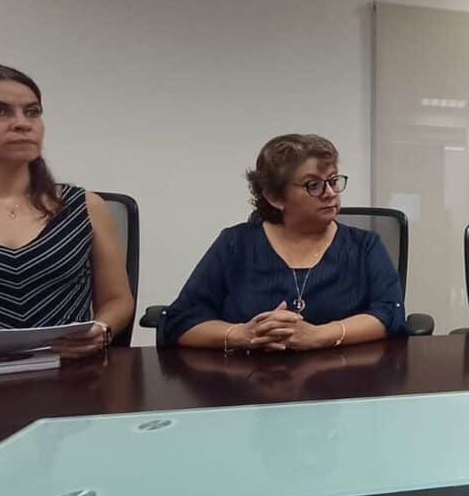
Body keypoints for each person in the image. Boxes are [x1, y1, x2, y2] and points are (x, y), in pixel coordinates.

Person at [161, 134, 406, 350]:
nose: (331, 193)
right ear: (275, 197)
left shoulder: (364, 246)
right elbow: (181, 320)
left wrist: (318, 336)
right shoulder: (235, 244)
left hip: (346, 380)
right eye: (314, 185)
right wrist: (242, 334)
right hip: (247, 380)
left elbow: (390, 314)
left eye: (333, 181)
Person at [0, 63, 134, 357]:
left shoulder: (84, 206)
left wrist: (101, 329)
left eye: (32, 112)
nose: (22, 123)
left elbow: (117, 300)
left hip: (70, 370)